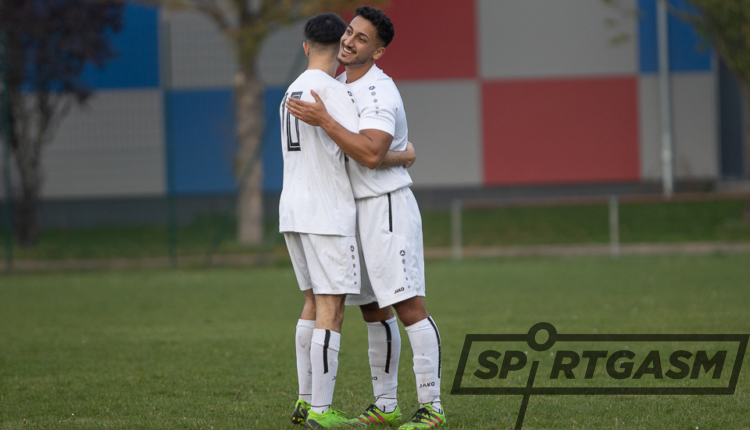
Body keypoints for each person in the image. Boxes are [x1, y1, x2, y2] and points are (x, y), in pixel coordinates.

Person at [286, 6, 445, 430]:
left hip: (385, 206)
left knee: (408, 304)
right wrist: (405, 154)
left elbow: (371, 153)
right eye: (350, 32)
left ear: (378, 52)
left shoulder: (379, 92)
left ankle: (432, 407)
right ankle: (386, 405)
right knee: (373, 309)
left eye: (362, 39)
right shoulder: (336, 85)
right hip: (350, 211)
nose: (349, 41)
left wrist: (326, 121)